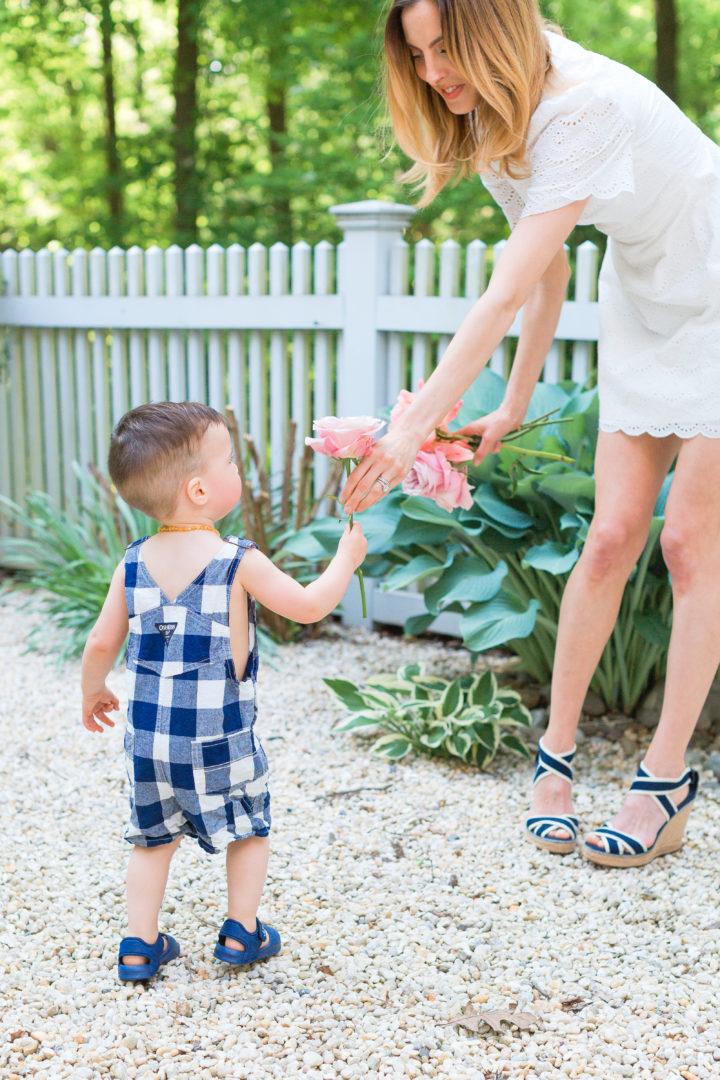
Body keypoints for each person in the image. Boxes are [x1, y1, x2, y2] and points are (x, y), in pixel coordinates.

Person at [342, 0, 720, 868]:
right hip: (647, 297)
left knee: (692, 548)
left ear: (493, 27)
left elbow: (501, 292)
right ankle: (556, 762)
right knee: (610, 538)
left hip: (718, 282)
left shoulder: (580, 106)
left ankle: (664, 786)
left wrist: (414, 425)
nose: (436, 72)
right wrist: (509, 404)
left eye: (448, 47)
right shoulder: (498, 115)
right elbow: (540, 267)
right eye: (421, 54)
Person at [81, 402, 367, 980]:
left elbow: (99, 644)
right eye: (230, 461)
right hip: (220, 743)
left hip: (150, 746)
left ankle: (138, 945)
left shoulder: (132, 563)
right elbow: (310, 607)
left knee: (151, 840)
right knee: (248, 827)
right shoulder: (237, 562)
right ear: (199, 490)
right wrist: (347, 558)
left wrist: (94, 691)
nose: (239, 469)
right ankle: (241, 932)